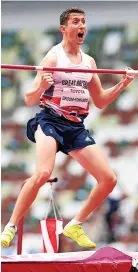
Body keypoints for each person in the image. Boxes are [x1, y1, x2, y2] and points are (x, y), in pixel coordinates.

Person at [1, 7, 135, 249]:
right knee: (43, 173)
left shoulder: (89, 62)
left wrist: (123, 83)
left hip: (75, 126)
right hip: (50, 121)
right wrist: (41, 85)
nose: (81, 25)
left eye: (83, 22)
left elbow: (101, 101)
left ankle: (75, 225)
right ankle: (10, 226)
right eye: (75, 22)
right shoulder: (53, 58)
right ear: (64, 29)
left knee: (108, 179)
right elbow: (29, 99)